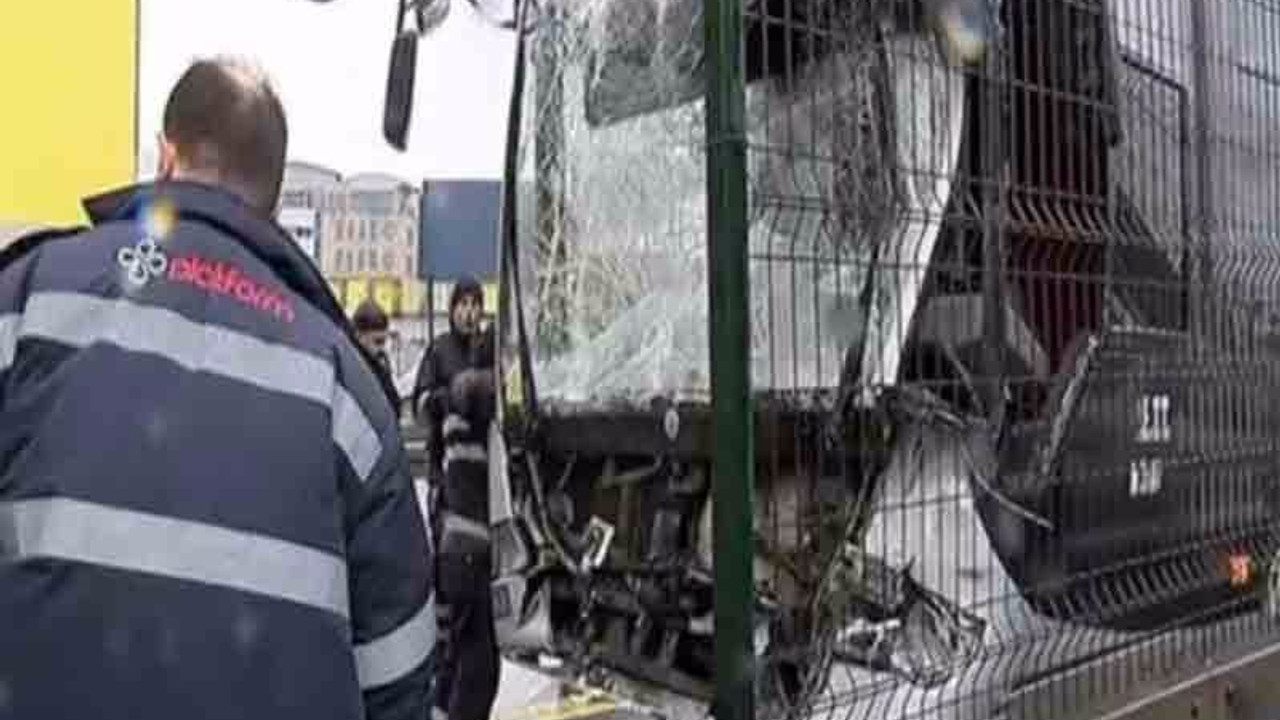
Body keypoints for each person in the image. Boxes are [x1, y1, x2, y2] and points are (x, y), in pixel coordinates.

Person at [0, 57, 434, 720]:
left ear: (164, 155)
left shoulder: (31, 303)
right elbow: (399, 668)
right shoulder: (343, 388)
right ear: (273, 196)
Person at [412, 277, 500, 720]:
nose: (470, 311)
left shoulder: (486, 350)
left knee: (463, 635)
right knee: (463, 635)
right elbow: (422, 402)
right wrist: (451, 399)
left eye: (475, 304)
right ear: (451, 309)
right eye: (463, 304)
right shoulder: (440, 350)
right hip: (450, 491)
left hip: (475, 508)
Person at [353, 297, 401, 409]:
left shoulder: (381, 360)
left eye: (383, 342)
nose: (381, 348)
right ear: (359, 336)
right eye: (378, 342)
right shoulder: (350, 364)